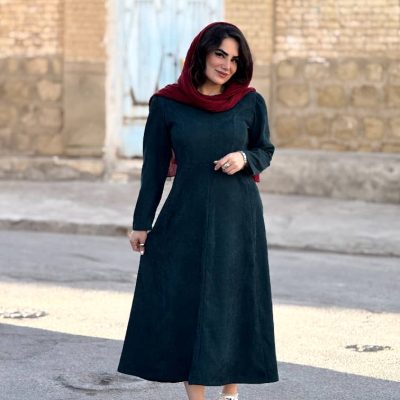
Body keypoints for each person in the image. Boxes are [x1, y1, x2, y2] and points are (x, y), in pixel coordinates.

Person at [117, 21, 279, 400]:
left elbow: (264, 150)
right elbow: (154, 168)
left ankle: (230, 394)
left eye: (234, 59)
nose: (226, 65)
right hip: (185, 216)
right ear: (201, 53)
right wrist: (142, 222)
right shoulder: (167, 104)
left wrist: (244, 158)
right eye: (220, 54)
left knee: (234, 297)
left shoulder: (249, 102)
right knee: (186, 303)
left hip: (238, 217)